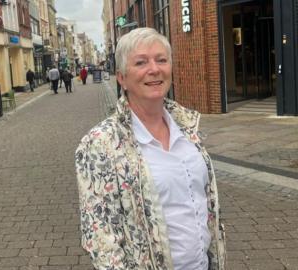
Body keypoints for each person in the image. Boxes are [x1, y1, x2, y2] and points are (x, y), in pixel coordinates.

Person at [75, 27, 226, 270]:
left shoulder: (187, 128)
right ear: (122, 78)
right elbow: (100, 238)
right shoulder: (100, 143)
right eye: (141, 62)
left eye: (161, 60)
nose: (154, 69)